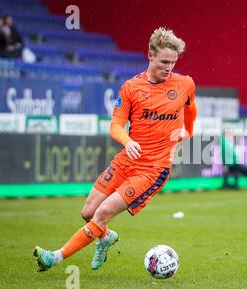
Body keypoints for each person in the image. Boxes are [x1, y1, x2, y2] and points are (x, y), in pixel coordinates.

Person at [34, 27, 197, 271]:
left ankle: (54, 258)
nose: (168, 67)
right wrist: (128, 141)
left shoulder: (184, 84)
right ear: (150, 55)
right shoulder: (131, 88)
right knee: (88, 212)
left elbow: (191, 108)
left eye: (173, 62)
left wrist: (189, 131)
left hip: (153, 169)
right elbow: (116, 125)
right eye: (164, 61)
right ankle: (106, 238)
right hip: (126, 161)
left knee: (102, 214)